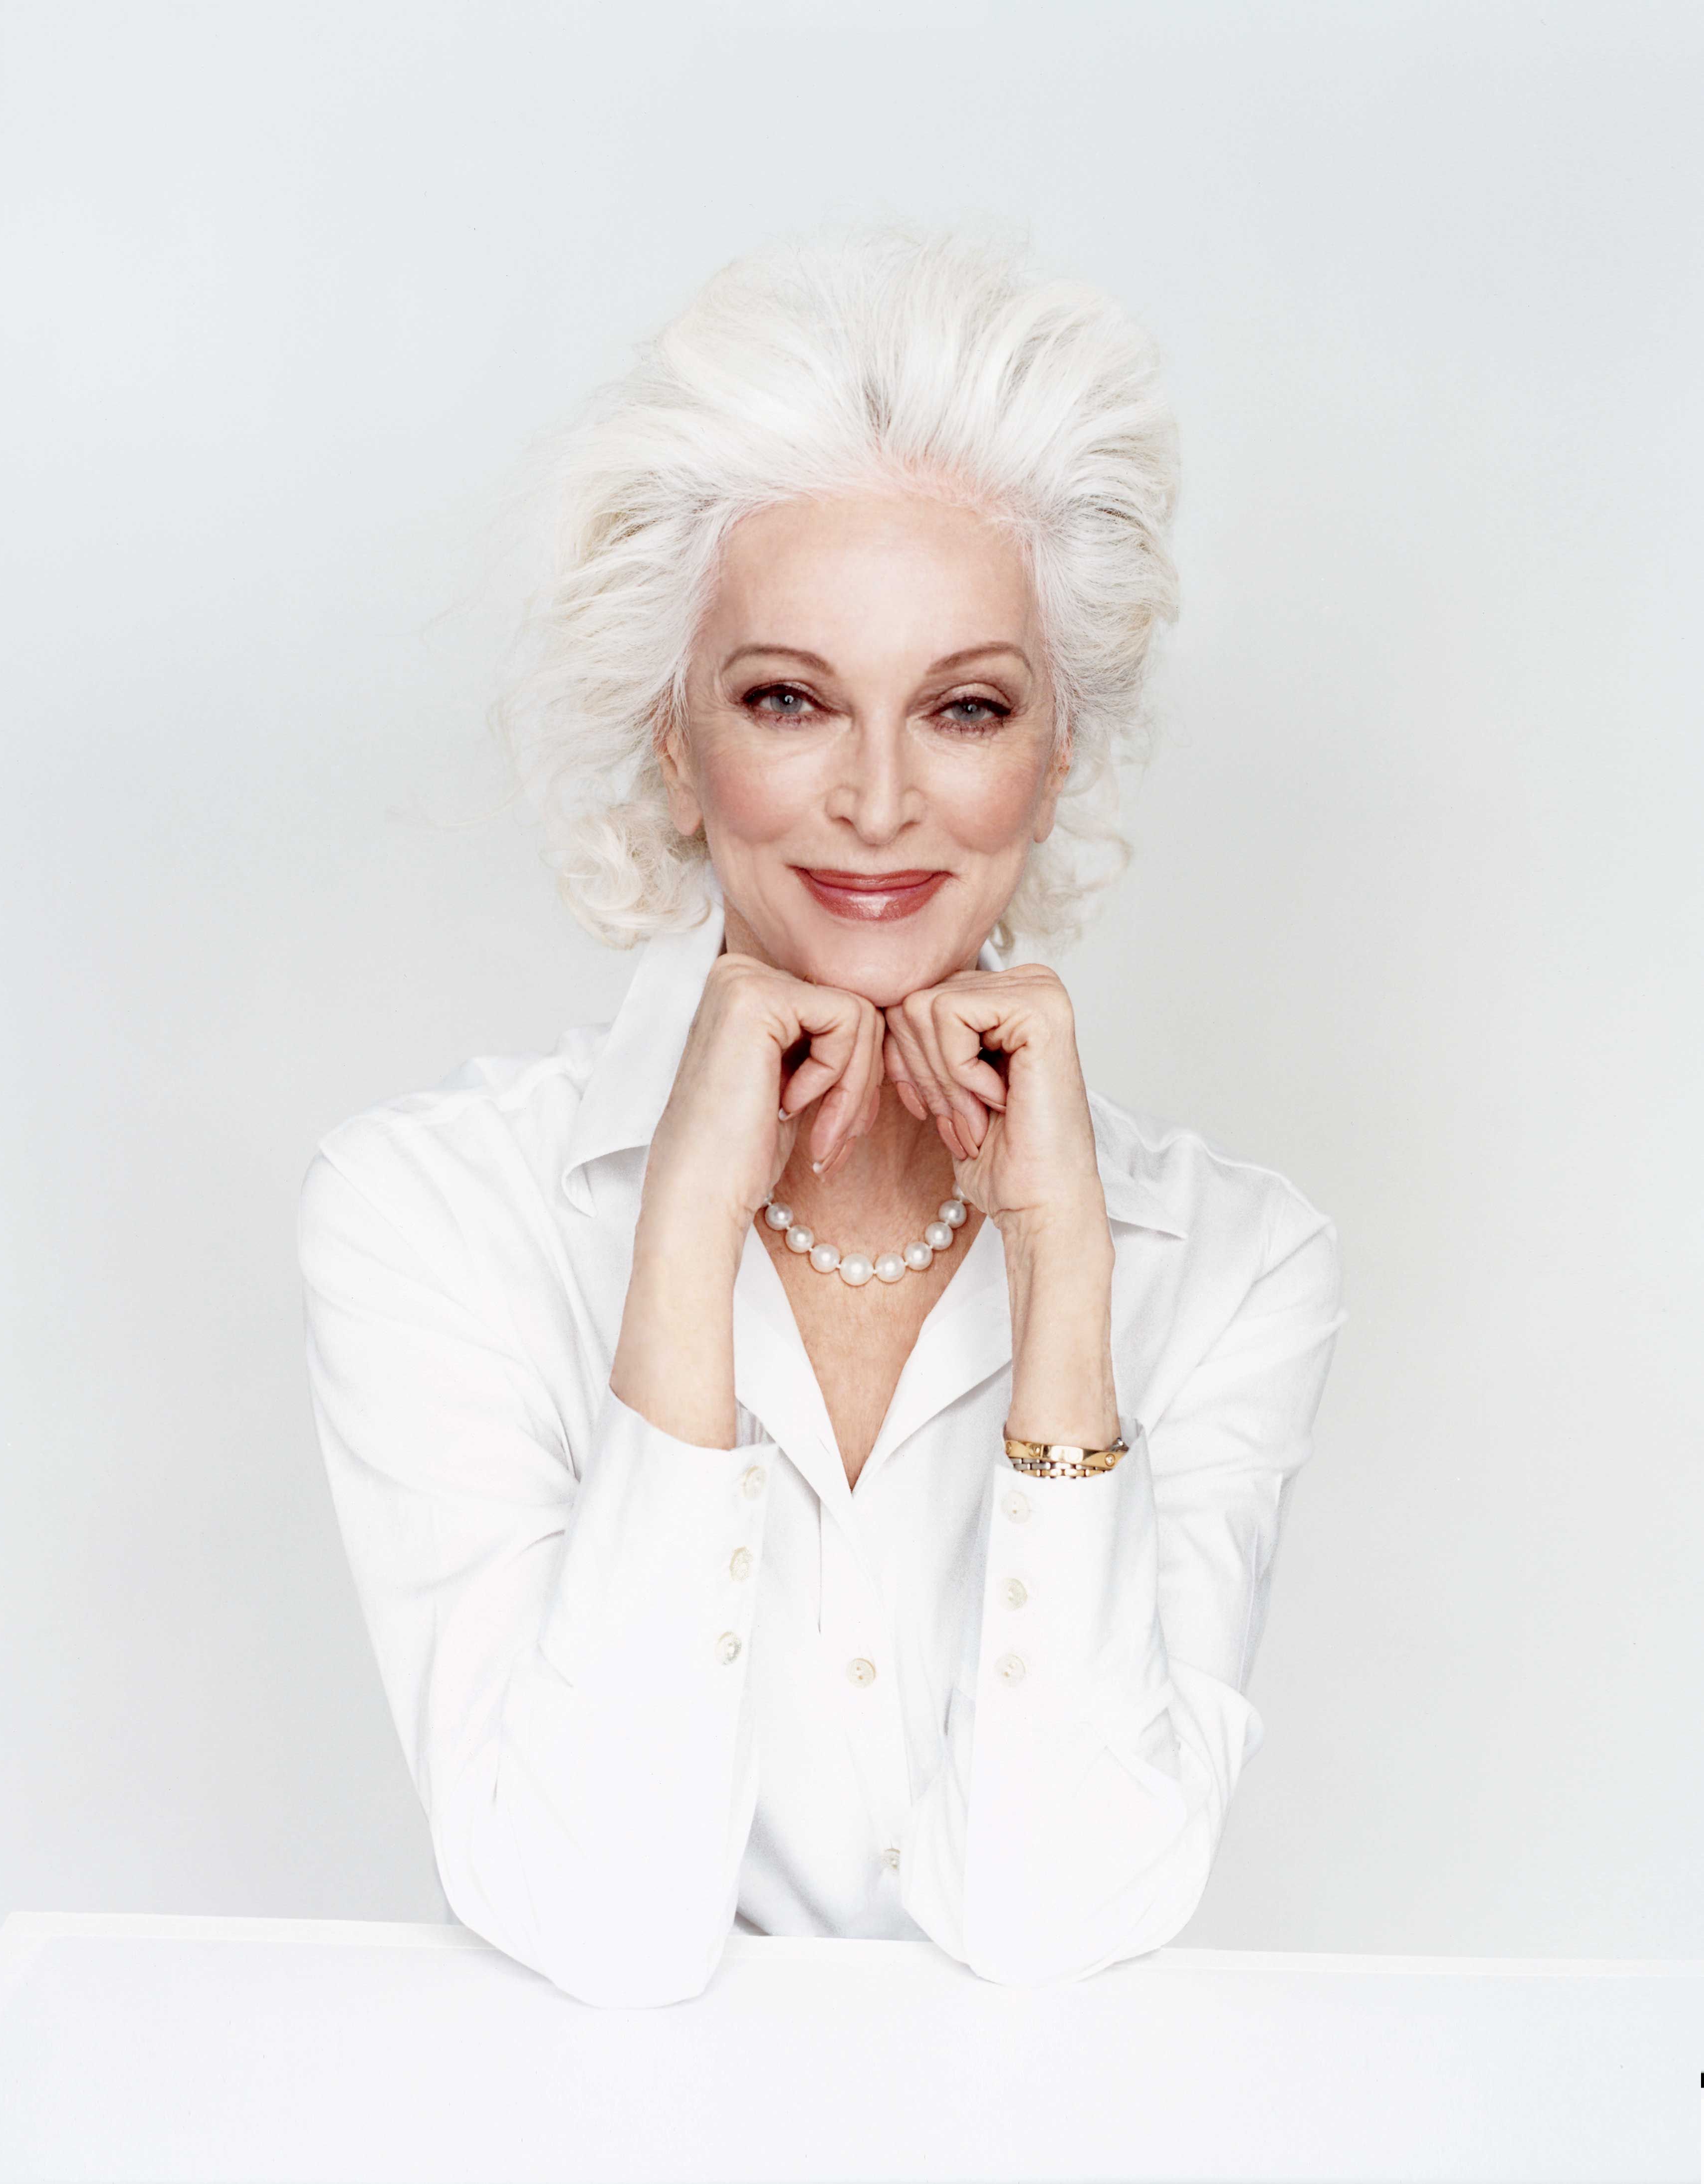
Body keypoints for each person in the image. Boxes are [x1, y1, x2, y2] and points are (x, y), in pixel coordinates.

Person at [296, 223, 1345, 2010]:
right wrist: (682, 1243)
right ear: (674, 733)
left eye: (965, 706)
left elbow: (1058, 1913)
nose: (876, 800)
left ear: (1056, 747)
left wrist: (1066, 1284)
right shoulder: (430, 1211)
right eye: (789, 698)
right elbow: (597, 1913)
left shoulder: (1235, 1264)